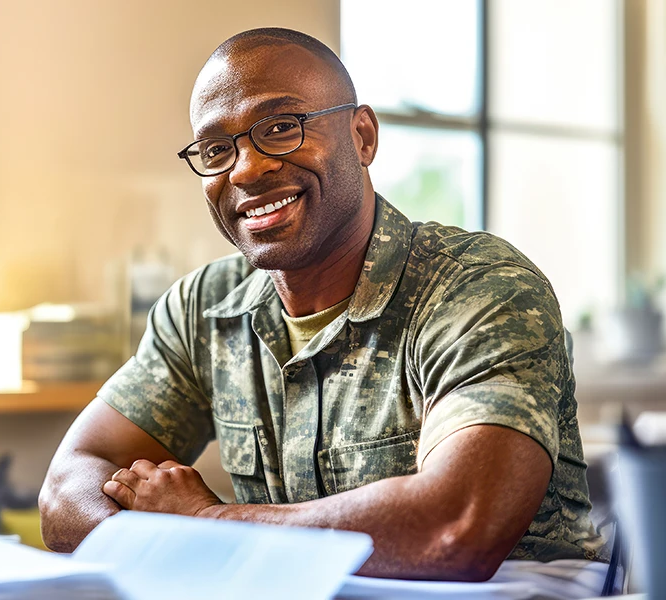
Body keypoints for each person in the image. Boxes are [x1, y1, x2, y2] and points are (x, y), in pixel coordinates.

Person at [38, 27, 605, 581]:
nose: (247, 168)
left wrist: (209, 522)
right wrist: (181, 530)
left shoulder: (479, 288)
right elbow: (66, 491)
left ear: (363, 137)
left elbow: (456, 529)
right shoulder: (202, 309)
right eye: (216, 149)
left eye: (281, 128)